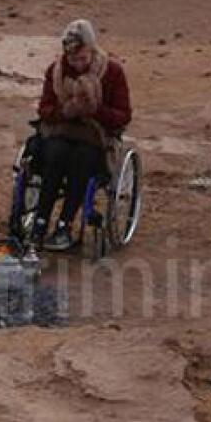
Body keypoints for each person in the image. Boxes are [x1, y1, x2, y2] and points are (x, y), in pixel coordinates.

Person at [33, 19, 132, 250]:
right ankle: (39, 222)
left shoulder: (113, 72)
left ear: (92, 50)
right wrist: (66, 110)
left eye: (83, 59)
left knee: (82, 160)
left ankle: (64, 225)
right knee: (55, 155)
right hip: (61, 130)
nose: (77, 64)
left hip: (96, 137)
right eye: (73, 59)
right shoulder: (55, 72)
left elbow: (123, 115)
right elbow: (45, 109)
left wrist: (95, 110)